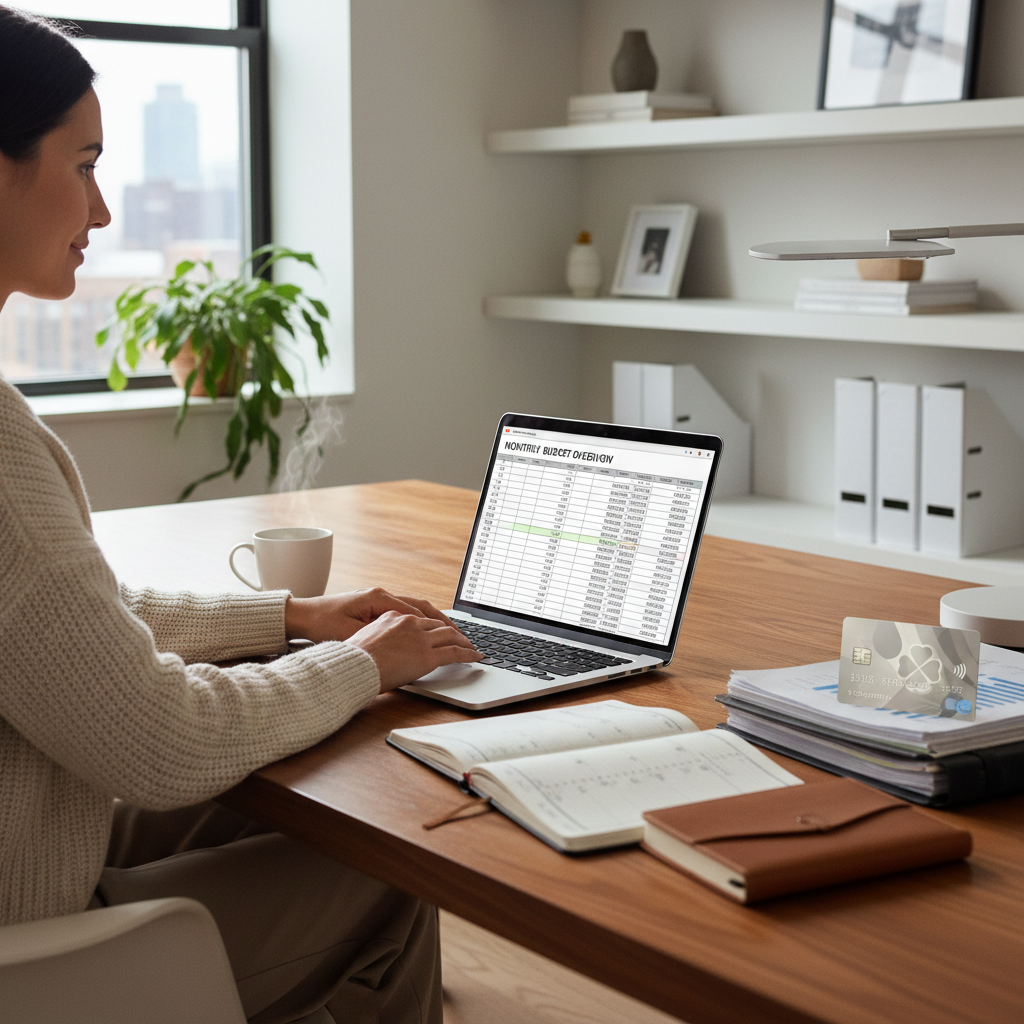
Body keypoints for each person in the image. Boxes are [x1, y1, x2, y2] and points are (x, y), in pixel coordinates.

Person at [0, 9, 481, 1022]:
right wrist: (366, 663)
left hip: (28, 842)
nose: (100, 209)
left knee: (275, 804)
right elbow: (159, 740)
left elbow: (62, 625)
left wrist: (289, 621)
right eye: (81, 163)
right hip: (30, 948)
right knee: (400, 865)